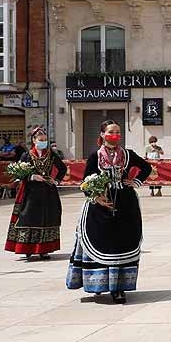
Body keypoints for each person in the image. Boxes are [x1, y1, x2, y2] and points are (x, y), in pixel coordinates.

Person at [67, 120, 152, 305]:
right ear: (103, 134)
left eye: (118, 131)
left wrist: (135, 182)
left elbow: (147, 168)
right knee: (102, 241)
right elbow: (85, 182)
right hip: (101, 206)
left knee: (122, 243)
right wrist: (96, 197)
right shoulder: (95, 156)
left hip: (125, 204)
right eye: (111, 131)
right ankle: (98, 284)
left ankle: (119, 287)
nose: (115, 135)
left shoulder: (128, 155)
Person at [4, 128, 67, 260]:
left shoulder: (51, 154)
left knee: (47, 218)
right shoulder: (26, 155)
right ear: (34, 140)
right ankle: (28, 248)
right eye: (40, 140)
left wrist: (56, 180)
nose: (43, 142)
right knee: (29, 217)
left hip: (47, 191)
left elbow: (62, 168)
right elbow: (20, 173)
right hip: (30, 192)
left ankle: (44, 249)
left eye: (45, 140)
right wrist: (32, 177)